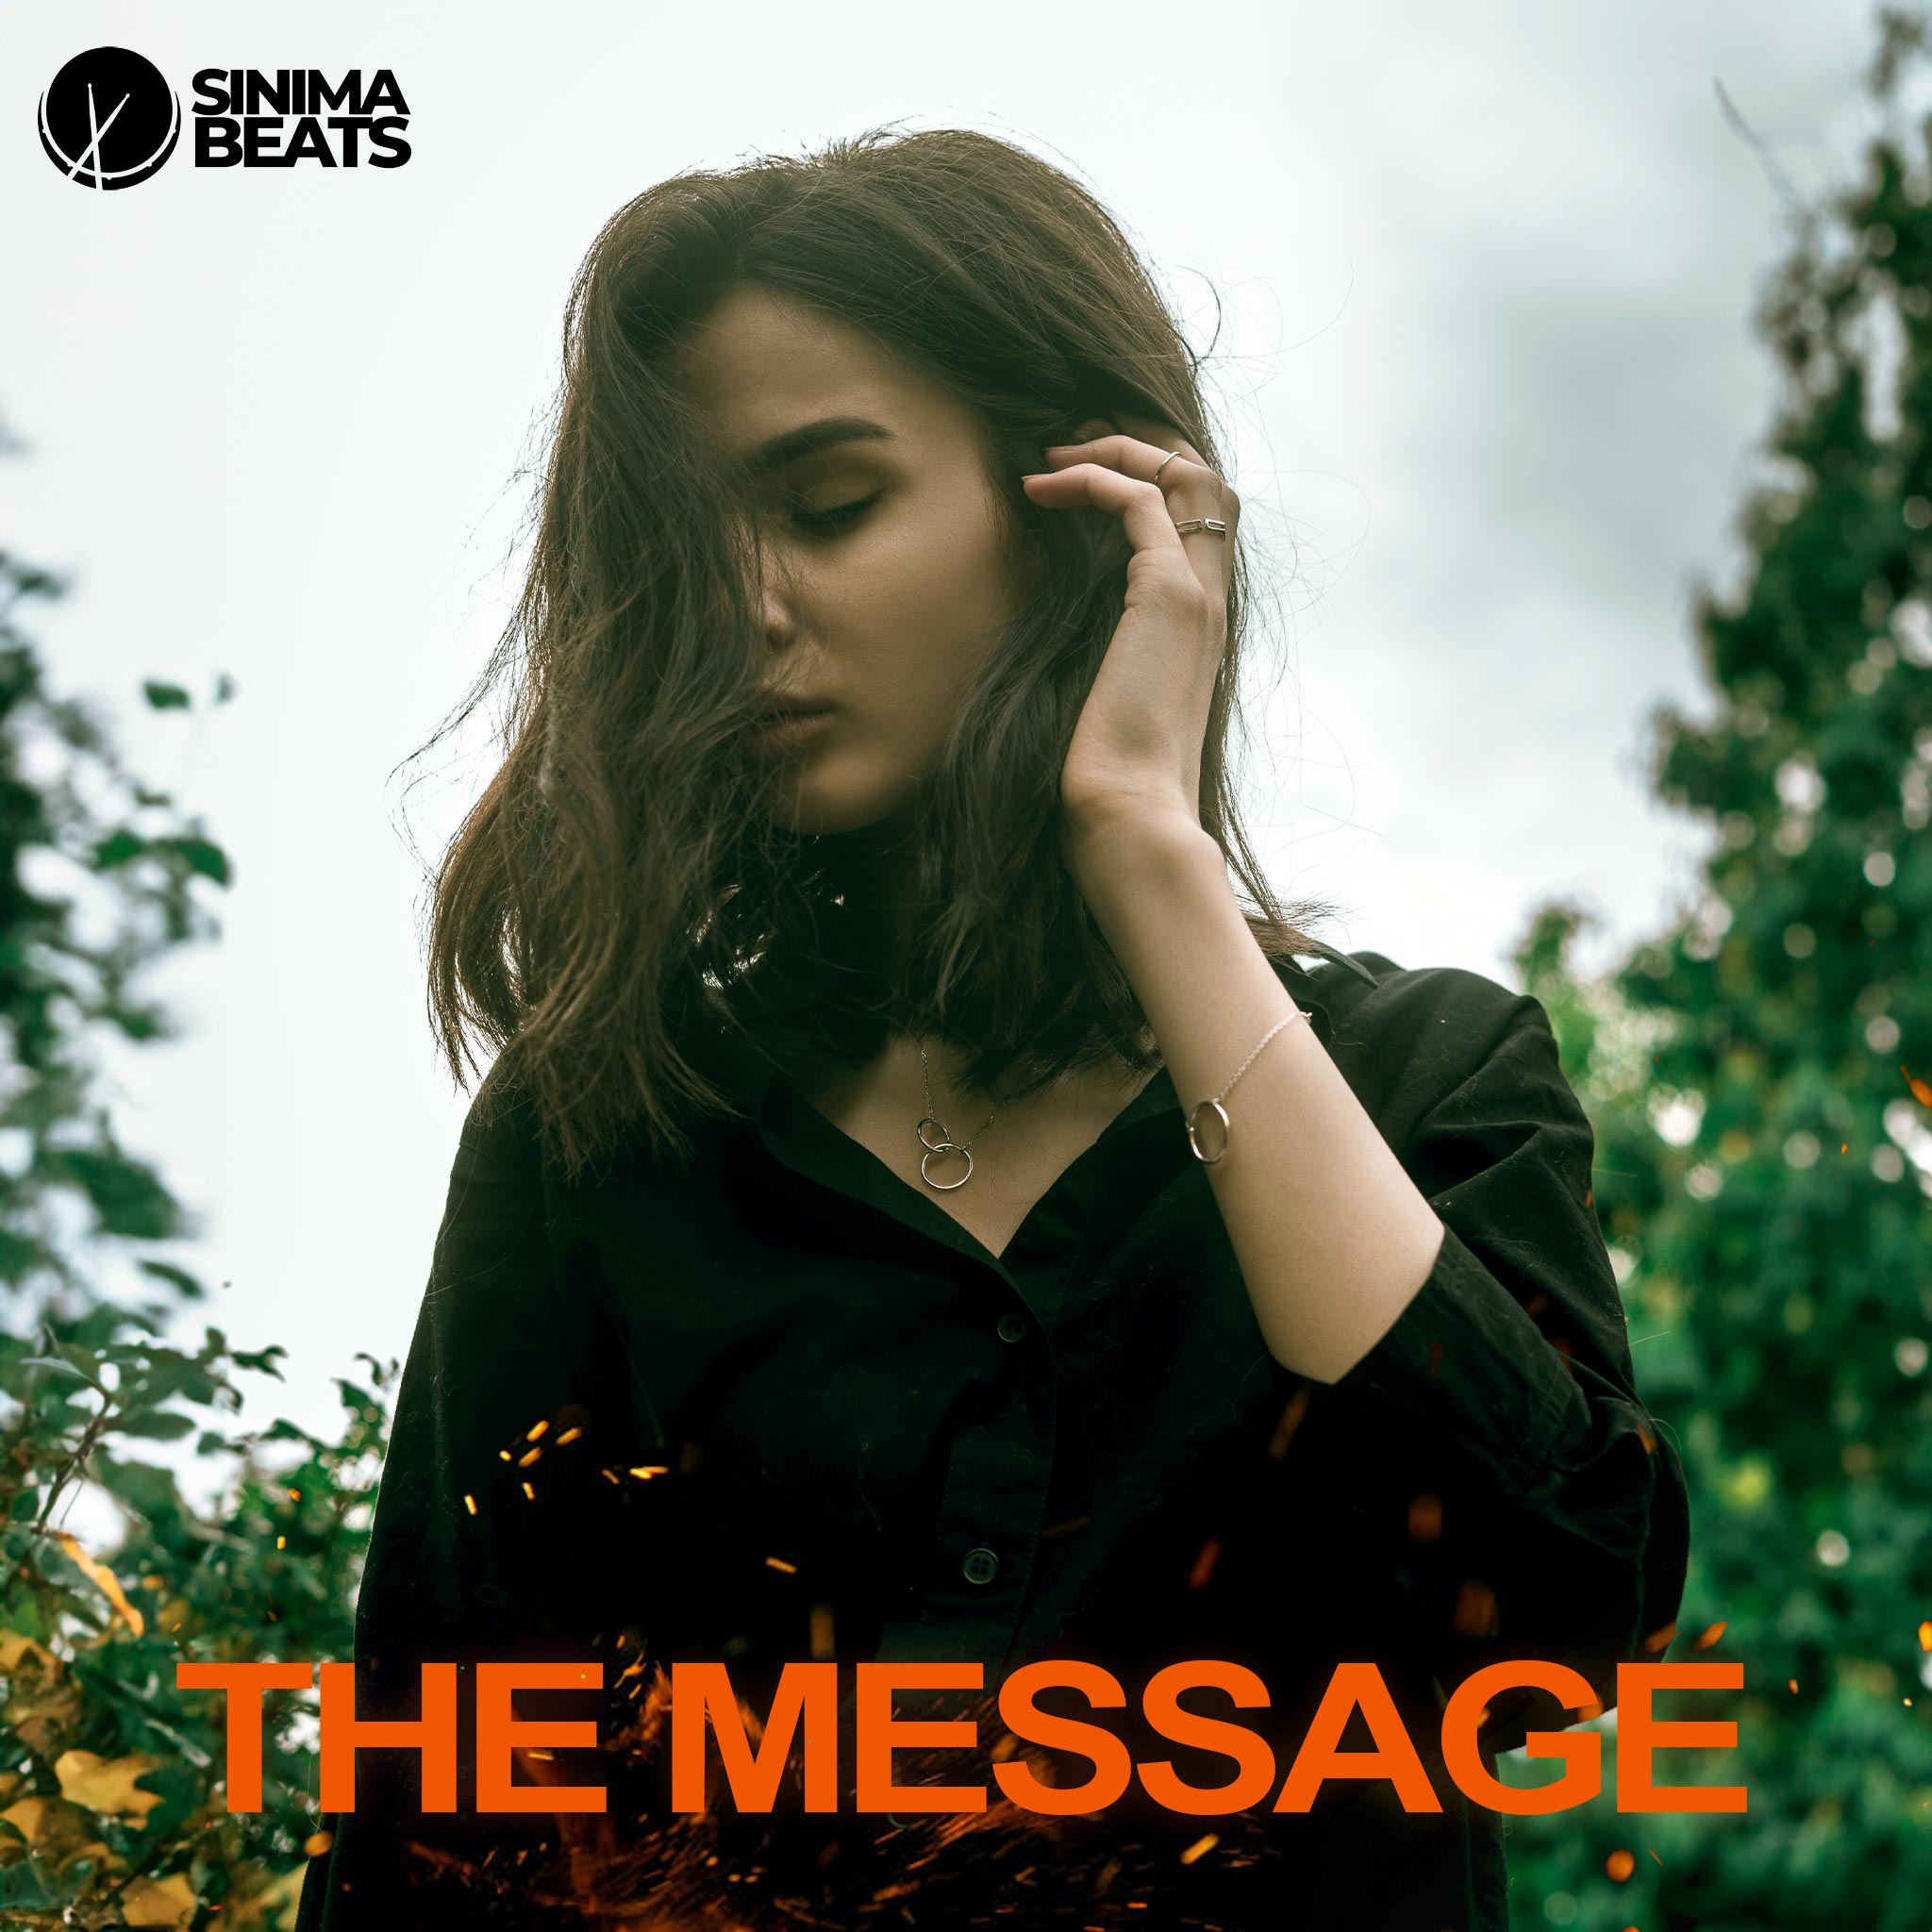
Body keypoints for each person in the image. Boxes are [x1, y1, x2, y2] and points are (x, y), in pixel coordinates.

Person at [296, 125, 1688, 1931]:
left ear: (1075, 513)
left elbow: (1562, 1622)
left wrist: (1145, 846)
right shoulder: (604, 1143)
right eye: (683, 547)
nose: (742, 611)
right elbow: (438, 1836)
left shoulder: (1432, 1089)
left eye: (828, 506)